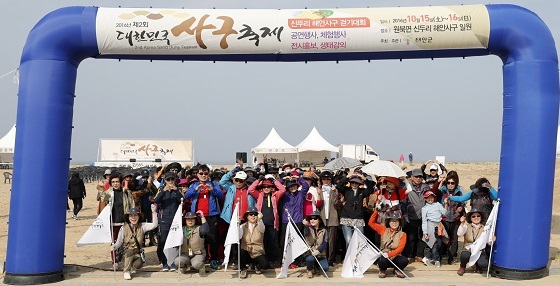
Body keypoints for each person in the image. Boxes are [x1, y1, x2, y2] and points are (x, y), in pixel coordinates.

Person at [186, 164, 224, 269]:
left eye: (206, 173)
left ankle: (213, 259)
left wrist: (212, 190)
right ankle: (200, 258)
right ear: (197, 174)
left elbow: (221, 196)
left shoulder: (214, 184)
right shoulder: (193, 185)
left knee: (212, 238)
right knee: (199, 238)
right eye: (201, 173)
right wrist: (195, 190)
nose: (203, 175)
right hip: (197, 216)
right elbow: (186, 196)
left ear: (209, 174)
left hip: (211, 215)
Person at [110, 206, 158, 280]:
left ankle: (132, 266)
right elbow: (119, 241)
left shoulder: (142, 226)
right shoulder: (124, 227)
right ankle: (126, 271)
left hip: (137, 252)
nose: (133, 218)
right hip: (126, 252)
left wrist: (154, 212)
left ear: (139, 217)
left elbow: (154, 225)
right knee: (129, 251)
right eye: (131, 216)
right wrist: (114, 246)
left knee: (138, 264)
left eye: (135, 215)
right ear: (128, 217)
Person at [248, 175, 286, 267]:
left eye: (268, 186)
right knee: (262, 242)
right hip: (261, 223)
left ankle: (272, 260)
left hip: (272, 224)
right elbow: (251, 190)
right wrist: (258, 180)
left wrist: (274, 181)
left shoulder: (274, 196)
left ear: (271, 187)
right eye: (264, 187)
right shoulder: (259, 195)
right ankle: (263, 260)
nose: (266, 188)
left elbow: (282, 190)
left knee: (272, 243)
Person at [100, 173, 135, 270]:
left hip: (125, 221)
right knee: (114, 242)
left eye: (117, 182)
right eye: (113, 182)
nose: (115, 184)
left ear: (121, 182)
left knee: (127, 242)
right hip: (113, 221)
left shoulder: (126, 192)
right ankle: (114, 262)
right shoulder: (109, 192)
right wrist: (102, 189)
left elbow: (132, 205)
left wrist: (132, 218)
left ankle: (126, 261)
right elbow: (102, 198)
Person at [336, 172, 374, 248]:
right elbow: (338, 185)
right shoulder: (346, 190)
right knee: (349, 241)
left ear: (359, 183)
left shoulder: (362, 191)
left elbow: (371, 189)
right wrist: (347, 177)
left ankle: (358, 259)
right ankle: (349, 259)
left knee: (360, 241)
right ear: (350, 183)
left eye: (356, 183)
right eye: (352, 182)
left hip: (358, 218)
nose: (354, 184)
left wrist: (364, 178)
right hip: (346, 217)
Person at [154, 171, 183, 271]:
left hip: (176, 220)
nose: (170, 181)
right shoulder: (161, 189)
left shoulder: (178, 189)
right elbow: (155, 201)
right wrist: (163, 191)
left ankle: (173, 262)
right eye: (168, 179)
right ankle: (164, 262)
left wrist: (176, 191)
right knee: (163, 241)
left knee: (175, 241)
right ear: (165, 180)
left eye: (172, 179)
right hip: (164, 219)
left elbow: (183, 200)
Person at [368, 210, 408, 278]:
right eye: (392, 221)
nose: (394, 223)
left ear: (399, 222)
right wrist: (376, 211)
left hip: (395, 256)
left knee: (404, 260)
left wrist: (389, 254)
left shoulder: (403, 234)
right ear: (389, 222)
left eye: (396, 221)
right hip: (384, 255)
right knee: (382, 261)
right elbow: (371, 223)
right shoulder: (383, 229)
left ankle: (397, 269)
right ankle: (382, 269)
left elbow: (400, 248)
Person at [456, 208, 496, 276]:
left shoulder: (485, 228)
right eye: (473, 216)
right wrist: (462, 223)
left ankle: (477, 265)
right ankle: (462, 266)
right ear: (470, 218)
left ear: (481, 217)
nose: (476, 217)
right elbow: (459, 233)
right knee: (464, 255)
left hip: (479, 250)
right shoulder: (466, 226)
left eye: (478, 216)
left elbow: (488, 242)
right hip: (468, 249)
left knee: (484, 264)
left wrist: (492, 240)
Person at [404, 168, 430, 263]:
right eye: (416, 176)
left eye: (420, 177)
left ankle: (419, 255)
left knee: (423, 236)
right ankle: (410, 254)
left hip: (424, 215)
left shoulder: (426, 187)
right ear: (411, 177)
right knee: (411, 236)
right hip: (411, 215)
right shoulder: (407, 187)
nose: (418, 178)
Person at [439, 171, 466, 265]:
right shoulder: (442, 191)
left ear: (456, 183)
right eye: (448, 182)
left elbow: (464, 203)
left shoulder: (459, 192)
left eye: (452, 183)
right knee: (443, 238)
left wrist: (461, 208)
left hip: (455, 219)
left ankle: (451, 257)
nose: (450, 185)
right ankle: (441, 256)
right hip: (444, 219)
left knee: (454, 239)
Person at [175, 210, 209, 275]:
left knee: (196, 264)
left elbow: (206, 229)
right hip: (184, 254)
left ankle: (201, 267)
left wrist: (202, 217)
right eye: (188, 219)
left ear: (195, 220)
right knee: (178, 261)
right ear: (185, 220)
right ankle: (184, 267)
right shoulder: (181, 229)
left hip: (198, 254)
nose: (190, 221)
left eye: (192, 219)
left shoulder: (199, 229)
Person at [316, 171, 339, 266]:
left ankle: (331, 259)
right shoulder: (319, 190)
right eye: (324, 179)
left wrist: (333, 192)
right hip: (322, 217)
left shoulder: (334, 189)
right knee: (322, 239)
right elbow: (318, 204)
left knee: (332, 240)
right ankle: (323, 257)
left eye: (328, 179)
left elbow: (335, 203)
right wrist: (318, 194)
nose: (326, 181)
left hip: (332, 217)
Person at [421, 191, 449, 268]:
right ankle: (437, 260)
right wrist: (425, 232)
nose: (430, 199)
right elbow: (424, 221)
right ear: (425, 199)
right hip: (430, 226)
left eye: (431, 197)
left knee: (438, 244)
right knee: (434, 245)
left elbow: (445, 213)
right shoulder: (424, 208)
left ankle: (426, 258)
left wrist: (446, 203)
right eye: (428, 197)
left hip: (439, 226)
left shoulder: (438, 204)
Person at [239, 207, 268, 279]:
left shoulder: (260, 225)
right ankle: (243, 269)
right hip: (246, 251)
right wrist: (237, 226)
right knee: (241, 253)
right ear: (247, 216)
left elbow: (262, 228)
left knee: (265, 265)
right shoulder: (242, 226)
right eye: (250, 214)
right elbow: (238, 237)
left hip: (257, 252)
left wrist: (260, 219)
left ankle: (256, 266)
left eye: (255, 214)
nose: (253, 216)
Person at [303, 211, 329, 278]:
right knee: (310, 259)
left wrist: (318, 250)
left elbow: (325, 243)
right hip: (310, 253)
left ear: (319, 220)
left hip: (320, 254)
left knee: (325, 268)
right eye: (311, 219)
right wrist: (306, 226)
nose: (312, 220)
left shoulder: (324, 230)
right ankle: (309, 269)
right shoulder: (308, 229)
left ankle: (316, 266)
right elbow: (306, 234)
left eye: (315, 218)